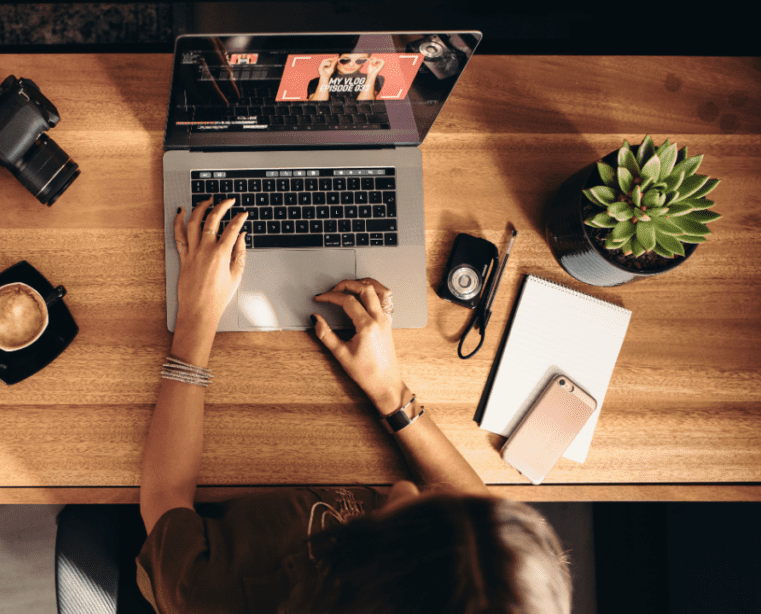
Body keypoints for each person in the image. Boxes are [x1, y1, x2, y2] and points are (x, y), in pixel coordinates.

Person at [137, 197, 572, 613]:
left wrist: (196, 316)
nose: (402, 488)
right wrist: (392, 395)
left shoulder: (207, 597)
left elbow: (165, 493)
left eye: (397, 518)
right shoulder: (515, 591)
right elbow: (474, 513)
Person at [307, 52, 385, 102]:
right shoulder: (317, 81)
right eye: (345, 60)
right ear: (337, 59)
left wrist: (372, 75)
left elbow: (365, 106)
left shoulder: (375, 79)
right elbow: (317, 107)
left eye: (360, 61)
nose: (351, 65)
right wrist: (324, 76)